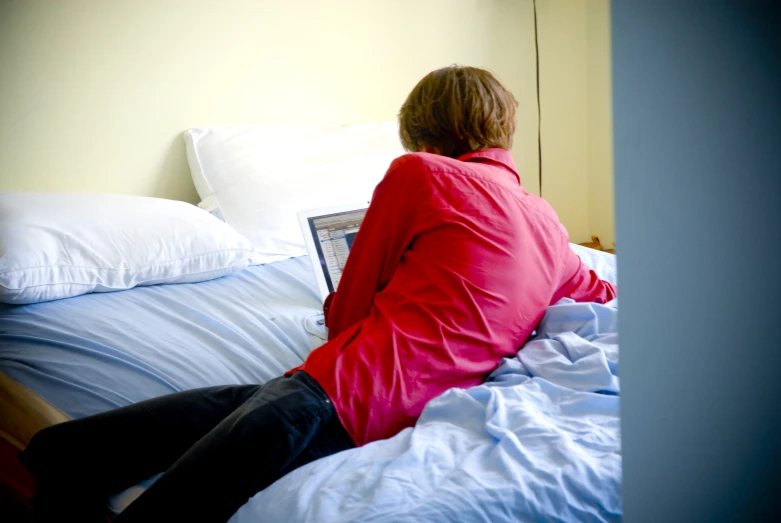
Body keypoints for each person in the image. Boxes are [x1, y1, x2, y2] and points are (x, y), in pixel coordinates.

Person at [18, 65, 616, 522]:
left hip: (333, 397)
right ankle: (47, 453)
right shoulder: (548, 226)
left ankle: (43, 462)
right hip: (380, 409)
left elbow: (348, 311)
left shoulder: (421, 175)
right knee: (134, 432)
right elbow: (602, 289)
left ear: (423, 139)